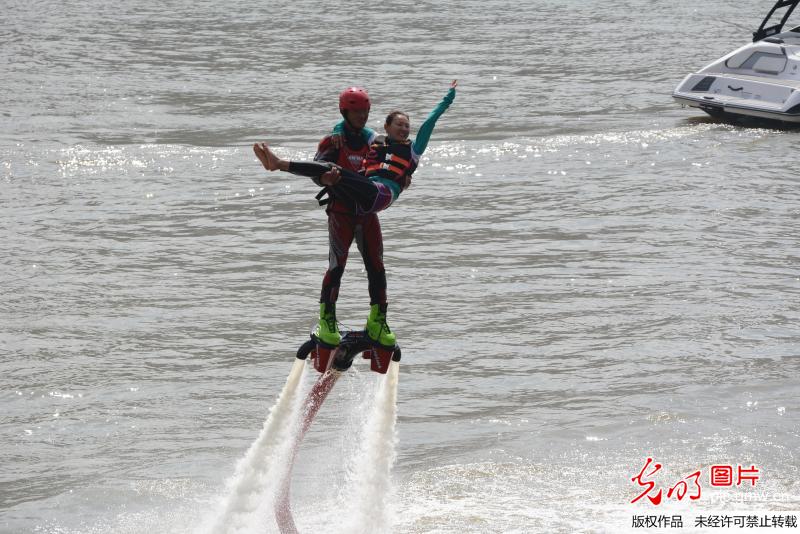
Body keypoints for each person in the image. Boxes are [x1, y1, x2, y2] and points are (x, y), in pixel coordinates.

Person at [254, 80, 457, 348]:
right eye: (356, 112)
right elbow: (317, 171)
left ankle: (378, 322)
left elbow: (411, 139)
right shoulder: (332, 140)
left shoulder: (374, 139)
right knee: (337, 265)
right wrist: (324, 178)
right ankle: (327, 321)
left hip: (367, 209)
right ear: (345, 113)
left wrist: (404, 174)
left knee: (376, 265)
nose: (362, 116)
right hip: (342, 210)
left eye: (365, 112)